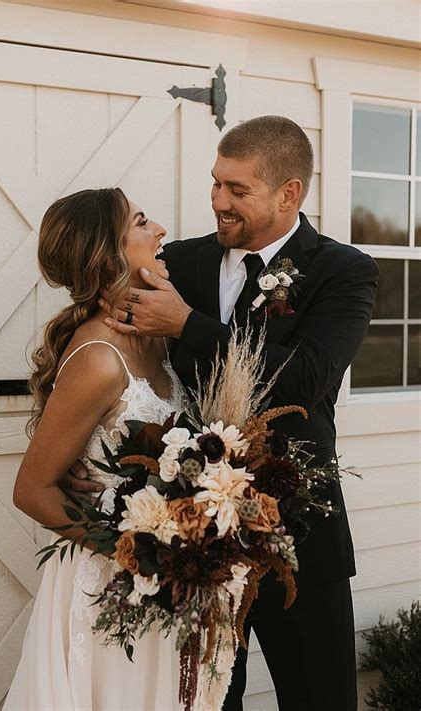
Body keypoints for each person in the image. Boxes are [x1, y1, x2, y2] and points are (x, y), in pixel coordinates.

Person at [68, 116, 378, 710]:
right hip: (190, 546)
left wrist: (187, 325)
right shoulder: (177, 263)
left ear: (290, 192)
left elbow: (308, 380)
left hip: (299, 541)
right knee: (205, 702)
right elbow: (91, 332)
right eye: (215, 184)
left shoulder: (343, 272)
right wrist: (73, 451)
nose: (218, 202)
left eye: (238, 190)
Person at [4, 187, 188, 710]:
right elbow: (31, 490)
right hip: (110, 581)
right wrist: (136, 556)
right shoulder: (99, 359)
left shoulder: (156, 337)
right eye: (142, 222)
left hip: (164, 582)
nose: (160, 231)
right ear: (109, 257)